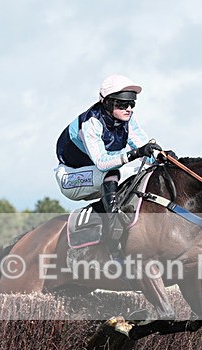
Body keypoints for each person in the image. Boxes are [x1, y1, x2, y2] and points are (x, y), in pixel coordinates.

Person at [55, 74, 162, 244]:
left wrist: (161, 157)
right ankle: (114, 226)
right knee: (112, 172)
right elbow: (102, 163)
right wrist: (134, 154)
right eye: (122, 104)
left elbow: (145, 149)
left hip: (100, 174)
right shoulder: (92, 122)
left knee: (145, 171)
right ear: (107, 103)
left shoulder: (128, 120)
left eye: (131, 103)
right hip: (71, 177)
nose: (128, 108)